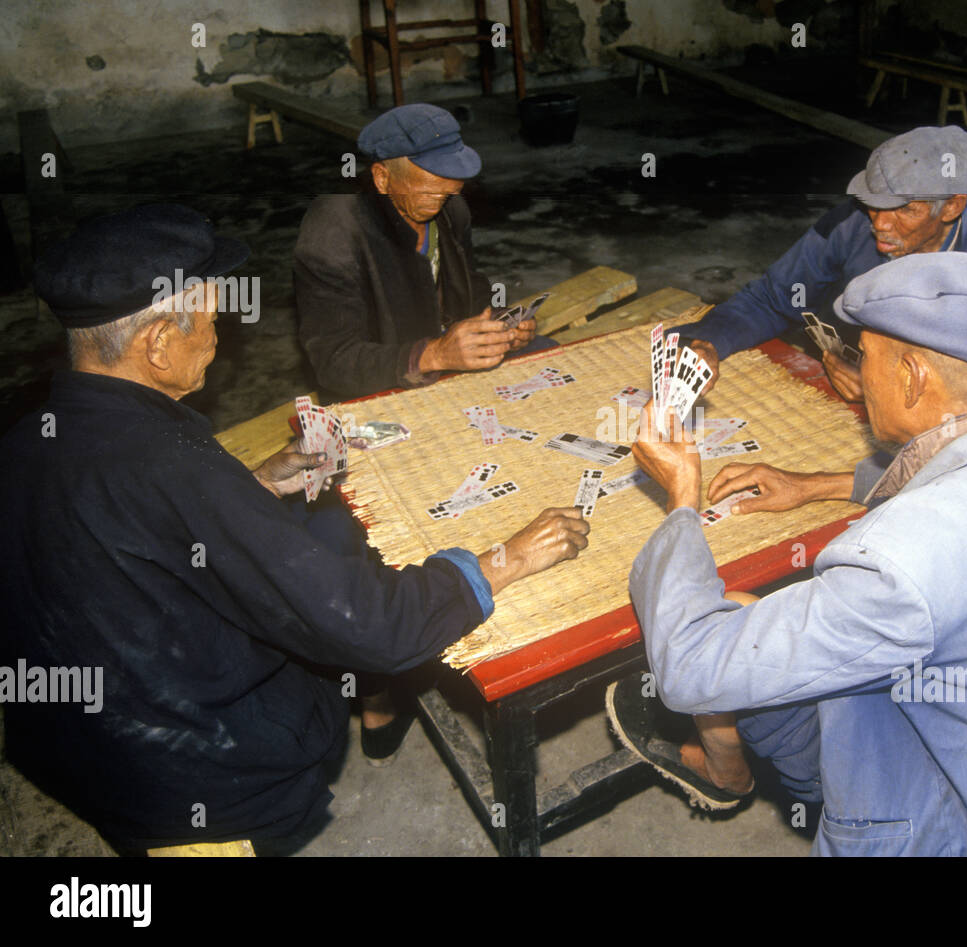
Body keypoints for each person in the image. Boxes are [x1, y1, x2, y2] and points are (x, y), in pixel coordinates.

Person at [0, 204, 590, 853]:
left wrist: (248, 486)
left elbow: (120, 523)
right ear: (159, 345)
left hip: (73, 744)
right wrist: (506, 557)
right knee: (370, 592)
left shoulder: (28, 440)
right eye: (212, 323)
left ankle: (378, 711)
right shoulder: (178, 466)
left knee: (331, 529)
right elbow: (377, 627)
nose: (220, 340)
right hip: (194, 780)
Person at [610, 253, 967, 855]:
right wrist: (811, 485)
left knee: (725, 638)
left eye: (866, 358)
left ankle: (733, 766)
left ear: (914, 377)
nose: (858, 376)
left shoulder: (897, 563)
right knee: (750, 620)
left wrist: (681, 497)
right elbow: (959, 476)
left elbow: (687, 668)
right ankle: (728, 768)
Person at [678, 125, 967, 402]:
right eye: (874, 203)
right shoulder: (850, 225)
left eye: (907, 209)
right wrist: (710, 340)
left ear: (952, 207)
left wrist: (888, 389)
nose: (880, 224)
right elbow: (771, 299)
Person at [295, 103, 541, 402]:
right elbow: (334, 363)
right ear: (382, 178)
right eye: (429, 188)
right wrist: (435, 355)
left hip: (443, 370)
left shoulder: (451, 209)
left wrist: (501, 328)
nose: (443, 198)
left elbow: (470, 291)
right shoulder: (333, 231)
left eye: (450, 187)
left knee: (549, 368)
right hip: (377, 394)